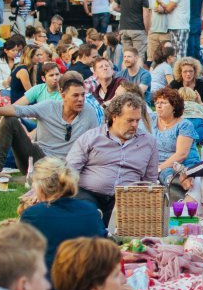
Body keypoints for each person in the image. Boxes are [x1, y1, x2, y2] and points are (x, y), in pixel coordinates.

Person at [65, 94, 158, 226]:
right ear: (114, 117)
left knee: (124, 219)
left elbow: (150, 180)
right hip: (89, 194)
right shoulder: (92, 137)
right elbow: (70, 170)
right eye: (130, 120)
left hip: (127, 198)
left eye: (137, 120)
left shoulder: (148, 142)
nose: (135, 125)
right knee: (86, 212)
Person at [0, 73, 99, 176]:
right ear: (63, 96)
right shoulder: (49, 106)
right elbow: (20, 110)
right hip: (39, 159)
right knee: (9, 120)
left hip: (67, 166)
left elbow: (95, 142)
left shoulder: (89, 112)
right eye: (75, 95)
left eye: (83, 95)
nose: (80, 99)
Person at [153, 87, 200, 184]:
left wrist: (158, 169)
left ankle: (179, 184)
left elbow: (181, 154)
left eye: (163, 103)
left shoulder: (184, 125)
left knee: (168, 174)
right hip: (157, 165)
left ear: (174, 106)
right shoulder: (151, 119)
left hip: (182, 164)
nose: (159, 106)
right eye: (157, 103)